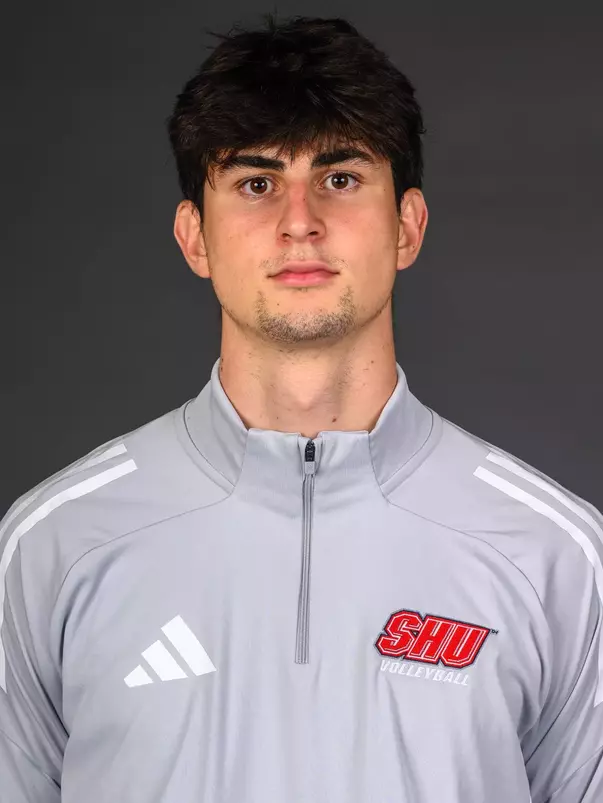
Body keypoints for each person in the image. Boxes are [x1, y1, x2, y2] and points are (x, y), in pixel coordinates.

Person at [1, 13, 601, 803]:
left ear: (407, 226)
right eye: (255, 184)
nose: (299, 222)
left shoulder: (556, 557)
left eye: (340, 178)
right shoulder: (51, 548)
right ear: (195, 238)